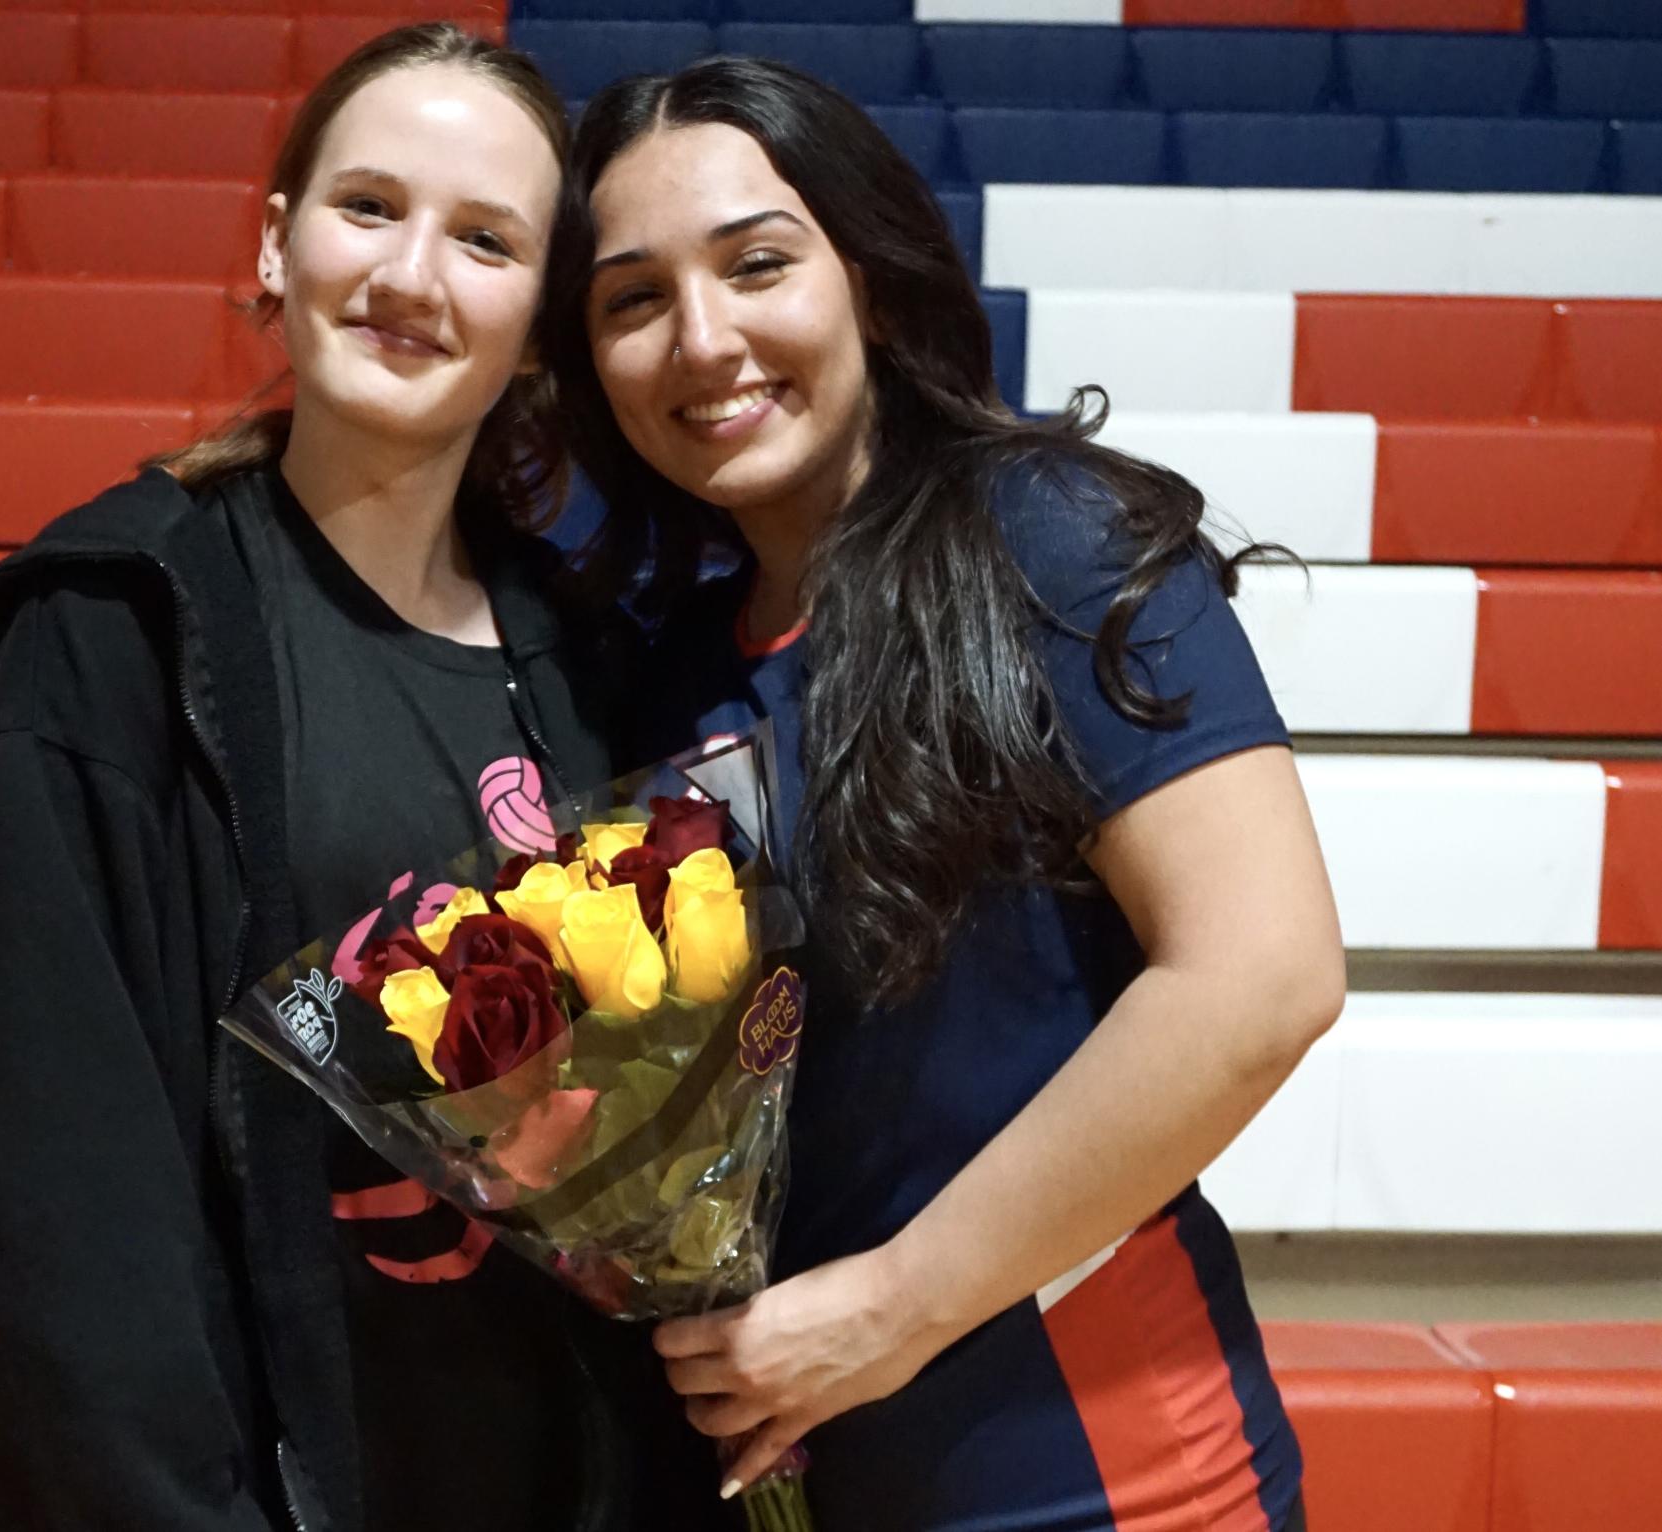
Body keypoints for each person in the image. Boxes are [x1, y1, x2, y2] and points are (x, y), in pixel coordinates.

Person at [0, 25, 720, 1532]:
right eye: (365, 208)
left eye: (484, 240)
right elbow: (57, 1221)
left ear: (539, 321)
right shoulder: (108, 634)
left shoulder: (593, 659)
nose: (410, 275)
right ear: (274, 246)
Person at [542, 56, 1343, 1532]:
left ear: (868, 273)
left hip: (1107, 1482)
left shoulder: (1049, 539)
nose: (700, 339)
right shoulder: (651, 674)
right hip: (795, 1473)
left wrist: (893, 1307)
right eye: (630, 299)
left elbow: (1260, 975)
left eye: (756, 265)